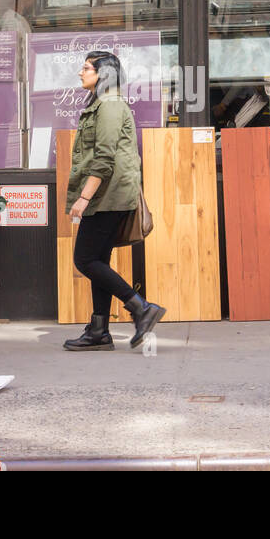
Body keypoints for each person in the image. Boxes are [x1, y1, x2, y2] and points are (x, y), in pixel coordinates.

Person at [62, 51, 167, 351]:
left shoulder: (108, 106)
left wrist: (84, 197)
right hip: (108, 194)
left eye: (86, 69)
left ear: (103, 74)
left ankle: (140, 308)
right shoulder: (101, 103)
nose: (81, 73)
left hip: (107, 196)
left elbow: (105, 158)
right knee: (98, 259)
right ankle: (99, 330)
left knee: (85, 259)